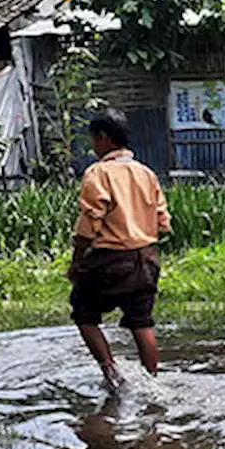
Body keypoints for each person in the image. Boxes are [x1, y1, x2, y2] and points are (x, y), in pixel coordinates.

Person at [68, 109, 170, 390]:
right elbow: (163, 222)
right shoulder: (146, 173)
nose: (93, 146)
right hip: (147, 258)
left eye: (94, 139)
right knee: (142, 321)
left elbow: (89, 225)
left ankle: (111, 374)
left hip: (111, 259)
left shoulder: (98, 173)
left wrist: (76, 261)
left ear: (103, 138)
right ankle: (152, 382)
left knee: (84, 313)